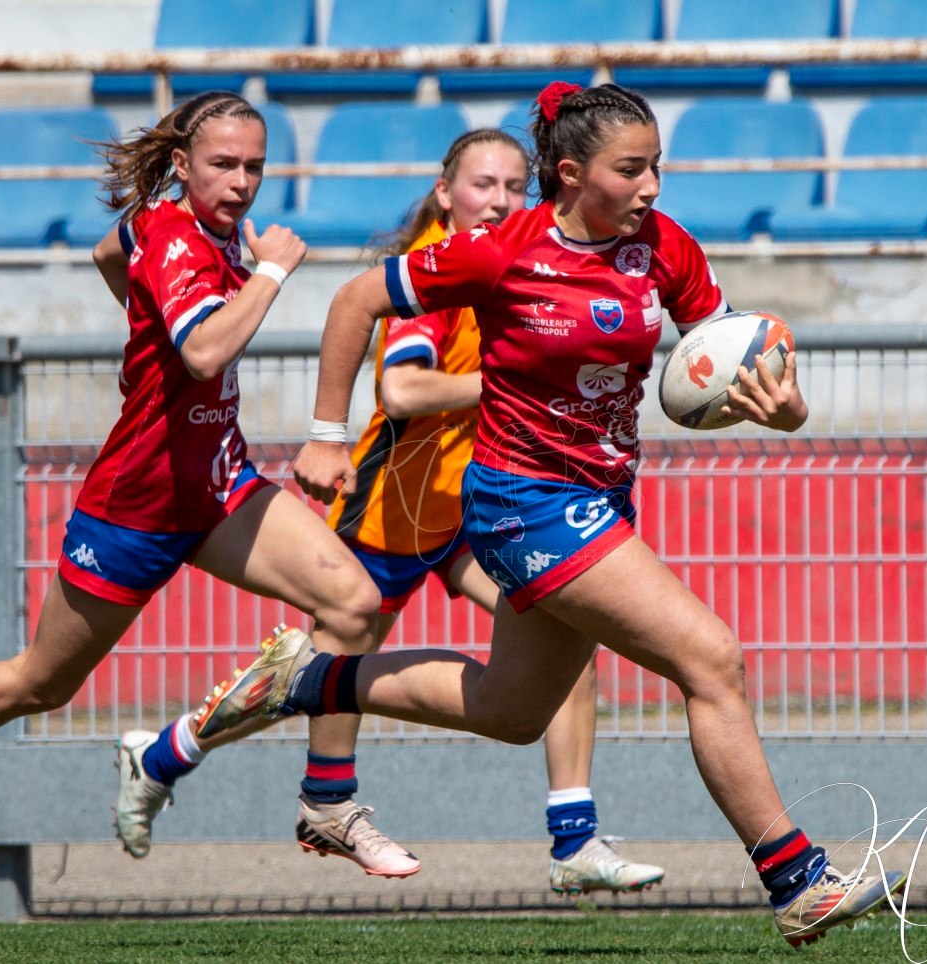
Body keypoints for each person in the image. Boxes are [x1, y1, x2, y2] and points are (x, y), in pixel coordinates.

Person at [200, 82, 908, 949]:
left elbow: (727, 353)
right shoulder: (499, 251)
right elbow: (356, 303)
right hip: (520, 502)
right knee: (711, 658)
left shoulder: (663, 246)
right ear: (570, 174)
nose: (652, 186)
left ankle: (300, 681)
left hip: (598, 497)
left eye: (656, 166)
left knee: (512, 711)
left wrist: (780, 404)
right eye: (631, 168)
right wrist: (324, 435)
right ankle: (796, 878)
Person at [0, 90, 417, 877]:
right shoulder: (177, 239)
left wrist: (148, 318)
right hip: (137, 504)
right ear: (182, 164)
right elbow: (202, 354)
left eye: (255, 167)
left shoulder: (189, 232)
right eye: (224, 165)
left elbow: (107, 253)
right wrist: (269, 274)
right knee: (42, 682)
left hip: (218, 483)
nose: (241, 182)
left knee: (353, 602)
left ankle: (326, 802)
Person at [113, 127, 665, 894]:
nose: (500, 200)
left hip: (474, 512)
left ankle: (573, 839)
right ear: (445, 194)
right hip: (393, 511)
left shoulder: (526, 256)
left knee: (568, 631)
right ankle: (174, 753)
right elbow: (404, 390)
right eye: (482, 185)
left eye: (513, 186)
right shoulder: (438, 269)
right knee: (321, 673)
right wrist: (517, 387)